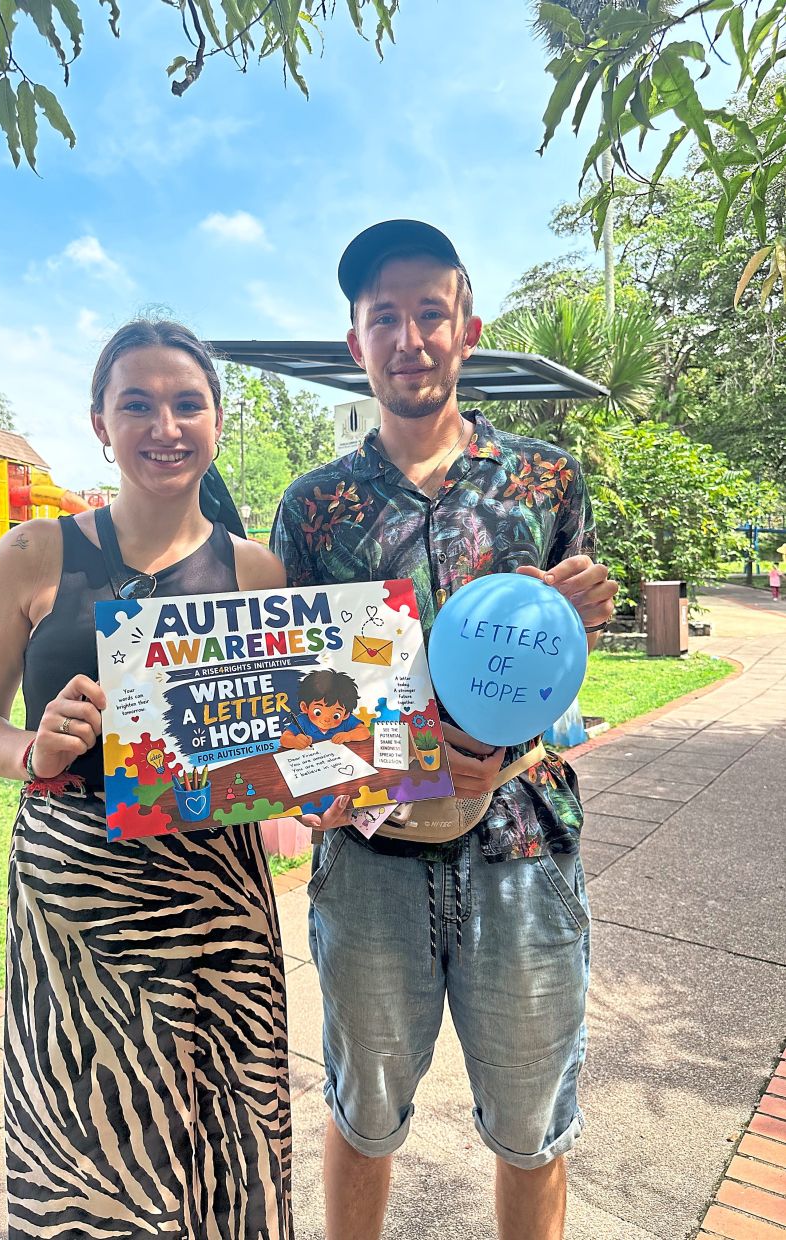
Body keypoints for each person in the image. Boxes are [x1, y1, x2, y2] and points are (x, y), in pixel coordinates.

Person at [0, 319, 339, 1240]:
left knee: (226, 1121)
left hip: (215, 888)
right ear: (99, 423)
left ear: (217, 421)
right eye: (138, 404)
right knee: (87, 1130)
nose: (165, 424)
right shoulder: (37, 553)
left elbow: (294, 741)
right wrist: (30, 752)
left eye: (187, 403)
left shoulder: (258, 574)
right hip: (74, 889)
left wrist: (331, 781)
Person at [270, 221, 619, 1240]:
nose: (410, 335)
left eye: (431, 312)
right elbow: (303, 704)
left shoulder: (548, 484)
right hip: (372, 857)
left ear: (469, 329)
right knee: (363, 1112)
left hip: (522, 851)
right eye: (387, 317)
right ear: (355, 344)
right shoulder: (315, 508)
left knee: (532, 1125)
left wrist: (582, 612)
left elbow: (561, 683)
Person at [279, 669, 370, 749]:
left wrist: (349, 736)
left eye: (336, 715)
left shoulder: (346, 721)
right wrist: (294, 741)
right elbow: (284, 739)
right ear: (304, 707)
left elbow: (365, 732)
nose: (326, 719)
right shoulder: (302, 721)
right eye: (318, 712)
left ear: (345, 714)